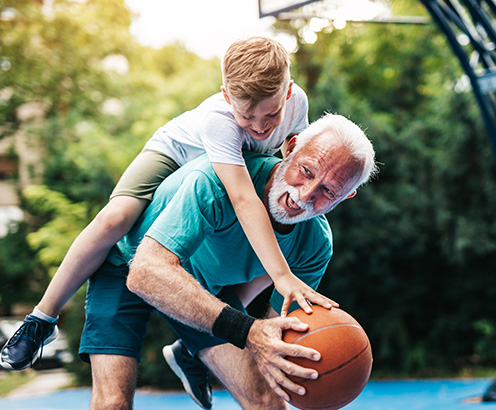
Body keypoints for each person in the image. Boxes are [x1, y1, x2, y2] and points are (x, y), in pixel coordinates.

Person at [0, 36, 336, 372]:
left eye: (272, 114)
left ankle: (187, 349)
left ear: (288, 92)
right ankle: (42, 318)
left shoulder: (298, 103)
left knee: (280, 238)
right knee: (116, 218)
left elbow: (289, 163)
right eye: (247, 115)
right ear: (226, 96)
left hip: (230, 170)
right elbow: (243, 197)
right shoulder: (218, 120)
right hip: (176, 156)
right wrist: (283, 276)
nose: (261, 126)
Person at [79, 114, 377, 410]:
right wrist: (246, 331)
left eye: (328, 191)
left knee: (268, 403)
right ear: (292, 147)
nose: (305, 195)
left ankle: (189, 351)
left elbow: (275, 333)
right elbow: (144, 273)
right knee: (112, 404)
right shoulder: (217, 180)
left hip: (203, 288)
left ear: (346, 196)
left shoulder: (315, 244)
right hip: (130, 261)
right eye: (307, 171)